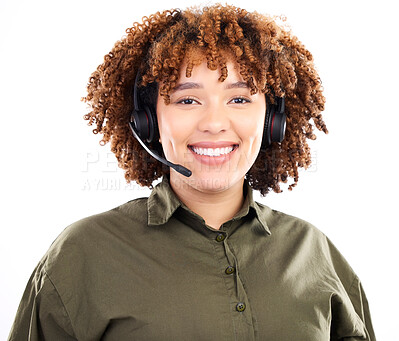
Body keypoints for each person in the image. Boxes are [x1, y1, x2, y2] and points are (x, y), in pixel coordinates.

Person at [8, 4, 376, 340]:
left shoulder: (316, 254)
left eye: (239, 98)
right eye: (187, 100)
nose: (215, 123)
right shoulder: (82, 255)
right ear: (148, 121)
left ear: (272, 121)